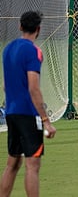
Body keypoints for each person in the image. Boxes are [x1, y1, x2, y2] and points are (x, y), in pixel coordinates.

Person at [0, 11, 57, 197]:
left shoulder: (8, 49)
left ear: (20, 26)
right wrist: (46, 120)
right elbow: (33, 88)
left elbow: (6, 86)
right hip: (28, 114)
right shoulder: (34, 52)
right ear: (38, 30)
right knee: (32, 166)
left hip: (11, 112)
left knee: (12, 164)